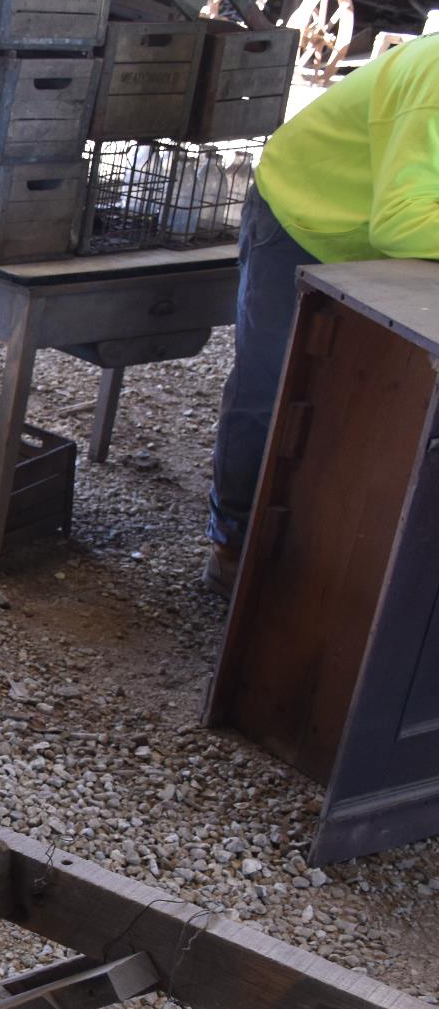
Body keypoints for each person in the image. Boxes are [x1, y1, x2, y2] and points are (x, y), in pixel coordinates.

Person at [205, 31, 439, 591]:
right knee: (273, 388)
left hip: (379, 238)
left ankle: (334, 547)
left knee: (374, 395)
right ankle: (231, 543)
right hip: (304, 217)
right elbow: (402, 222)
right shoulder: (436, 82)